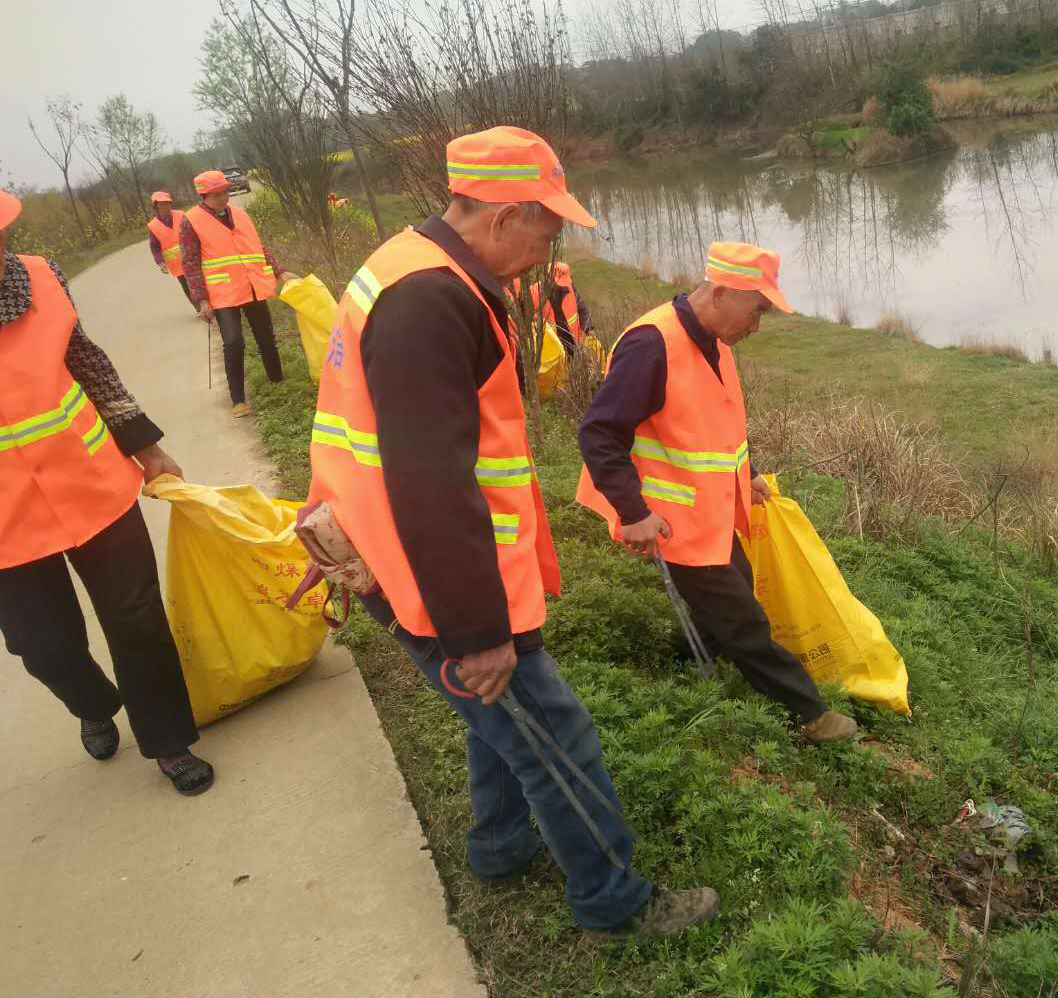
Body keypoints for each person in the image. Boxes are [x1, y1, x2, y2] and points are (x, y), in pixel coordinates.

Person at [305, 126, 717, 939]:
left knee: (498, 721)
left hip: (397, 551)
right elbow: (430, 483)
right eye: (547, 227)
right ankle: (611, 897)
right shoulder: (430, 301)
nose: (548, 245)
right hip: (435, 573)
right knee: (548, 731)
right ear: (501, 216)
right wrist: (477, 632)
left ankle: (498, 845)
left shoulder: (410, 263)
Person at [576, 243, 858, 744]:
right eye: (758, 310)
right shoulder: (652, 344)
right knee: (744, 619)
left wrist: (742, 475)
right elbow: (600, 433)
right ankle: (811, 713)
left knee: (737, 591)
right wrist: (633, 512)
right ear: (722, 292)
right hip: (667, 518)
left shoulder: (715, 343)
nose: (757, 325)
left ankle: (683, 662)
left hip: (705, 513)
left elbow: (715, 429)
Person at [0, 190, 214, 796]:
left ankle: (169, 740)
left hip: (91, 482)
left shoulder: (40, 277)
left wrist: (145, 447)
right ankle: (93, 703)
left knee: (137, 618)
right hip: (6, 524)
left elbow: (87, 362)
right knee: (42, 647)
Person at [179, 170, 294, 417]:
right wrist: (200, 299)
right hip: (222, 294)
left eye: (225, 191)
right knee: (233, 342)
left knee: (266, 337)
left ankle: (277, 381)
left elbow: (257, 248)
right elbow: (189, 263)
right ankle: (238, 399)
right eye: (217, 193)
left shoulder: (241, 215)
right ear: (204, 195)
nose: (223, 197)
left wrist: (280, 271)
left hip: (252, 286)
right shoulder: (191, 221)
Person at [509, 260, 592, 355]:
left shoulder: (570, 288)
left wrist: (589, 329)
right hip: (551, 348)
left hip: (573, 344)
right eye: (558, 283)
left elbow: (582, 309)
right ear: (548, 279)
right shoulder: (533, 293)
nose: (560, 287)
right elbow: (522, 317)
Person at [146, 190, 197, 313]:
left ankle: (210, 307)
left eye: (167, 203)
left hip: (192, 257)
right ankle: (199, 309)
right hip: (176, 264)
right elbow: (155, 247)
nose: (165, 206)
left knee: (198, 283)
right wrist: (160, 262)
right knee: (187, 287)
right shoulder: (153, 226)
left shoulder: (181, 215)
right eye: (162, 204)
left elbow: (194, 231)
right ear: (156, 206)